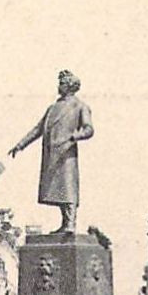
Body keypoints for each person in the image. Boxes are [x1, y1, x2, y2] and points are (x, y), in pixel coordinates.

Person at [8, 70, 94, 234]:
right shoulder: (52, 108)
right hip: (52, 154)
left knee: (68, 188)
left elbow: (89, 129)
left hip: (66, 153)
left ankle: (70, 223)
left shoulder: (80, 106)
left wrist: (77, 136)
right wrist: (20, 145)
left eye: (62, 83)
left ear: (70, 86)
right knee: (57, 190)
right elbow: (38, 129)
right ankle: (64, 223)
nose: (58, 86)